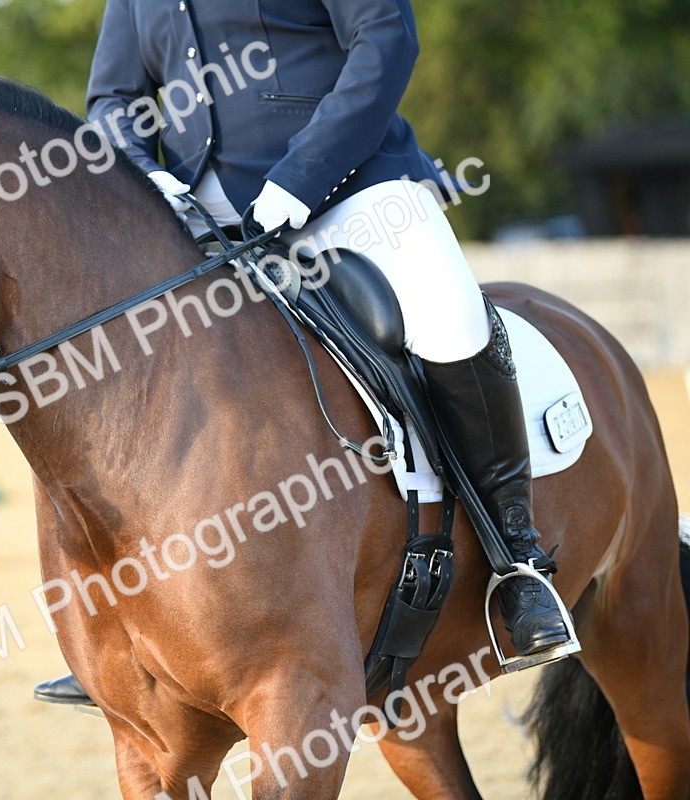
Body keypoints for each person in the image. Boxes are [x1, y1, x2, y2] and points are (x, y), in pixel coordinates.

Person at [34, 0, 572, 706]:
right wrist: (145, 175)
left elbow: (384, 38)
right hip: (193, 213)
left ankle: (516, 562)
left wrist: (302, 177)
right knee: (108, 359)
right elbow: (113, 99)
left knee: (450, 320)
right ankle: (125, 628)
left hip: (353, 186)